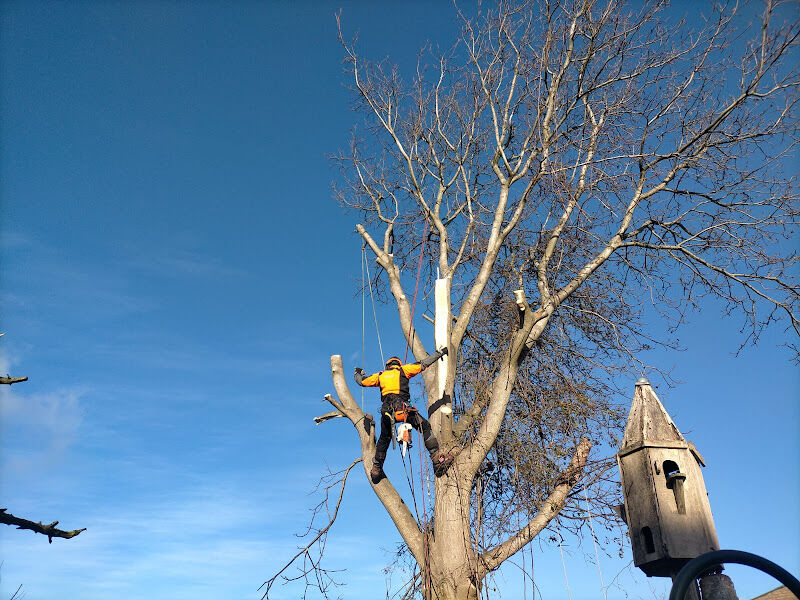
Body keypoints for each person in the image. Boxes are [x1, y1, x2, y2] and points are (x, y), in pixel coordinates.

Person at [354, 348, 454, 483]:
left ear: (387, 365)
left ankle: (376, 467)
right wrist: (440, 353)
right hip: (404, 410)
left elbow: (362, 382)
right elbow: (424, 364)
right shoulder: (404, 370)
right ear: (398, 364)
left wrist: (358, 372)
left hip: (387, 413)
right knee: (424, 426)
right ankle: (436, 458)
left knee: (384, 438)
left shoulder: (380, 375)